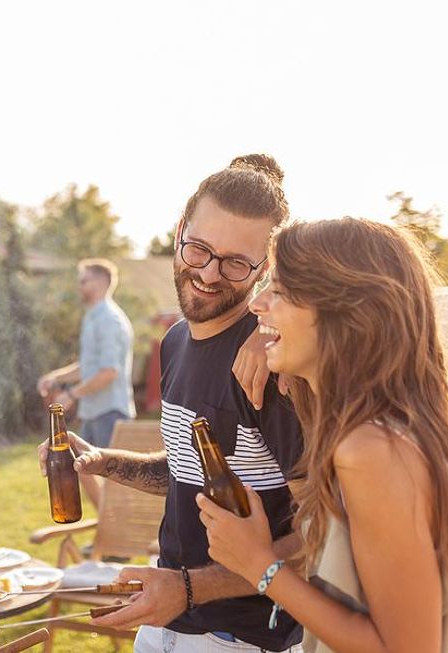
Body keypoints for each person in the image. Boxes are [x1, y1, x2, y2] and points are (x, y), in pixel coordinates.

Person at [39, 154, 306, 652]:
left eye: (235, 262)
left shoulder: (272, 366)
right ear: (179, 230)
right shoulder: (177, 341)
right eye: (199, 249)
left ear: (265, 267)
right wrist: (103, 463)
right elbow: (195, 471)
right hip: (167, 621)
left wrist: (189, 589)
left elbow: (322, 532)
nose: (208, 273)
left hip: (242, 639)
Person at [198, 218, 448, 653]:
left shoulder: (374, 451)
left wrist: (258, 565)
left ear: (344, 311)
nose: (257, 305)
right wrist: (288, 355)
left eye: (278, 291)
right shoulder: (378, 431)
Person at [37, 258, 134, 509]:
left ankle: (116, 543)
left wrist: (72, 395)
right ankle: (107, 530)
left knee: (114, 481)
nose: (79, 286)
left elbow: (109, 371)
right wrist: (56, 377)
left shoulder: (109, 320)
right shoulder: (93, 317)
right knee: (82, 469)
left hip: (111, 412)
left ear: (101, 283)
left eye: (84, 281)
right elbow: (88, 366)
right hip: (94, 412)